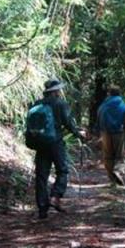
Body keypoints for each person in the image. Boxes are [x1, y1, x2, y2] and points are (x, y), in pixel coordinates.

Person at [31, 79, 83, 219]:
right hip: (55, 142)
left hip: (40, 143)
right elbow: (68, 123)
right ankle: (55, 196)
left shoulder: (37, 104)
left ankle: (42, 209)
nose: (60, 92)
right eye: (59, 89)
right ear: (55, 91)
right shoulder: (60, 103)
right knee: (62, 170)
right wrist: (78, 134)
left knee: (41, 175)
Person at [96, 85, 125, 185]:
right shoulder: (123, 105)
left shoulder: (104, 105)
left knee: (108, 156)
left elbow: (99, 115)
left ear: (109, 93)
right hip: (119, 132)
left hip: (105, 132)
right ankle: (118, 171)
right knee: (120, 156)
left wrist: (99, 130)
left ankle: (112, 180)